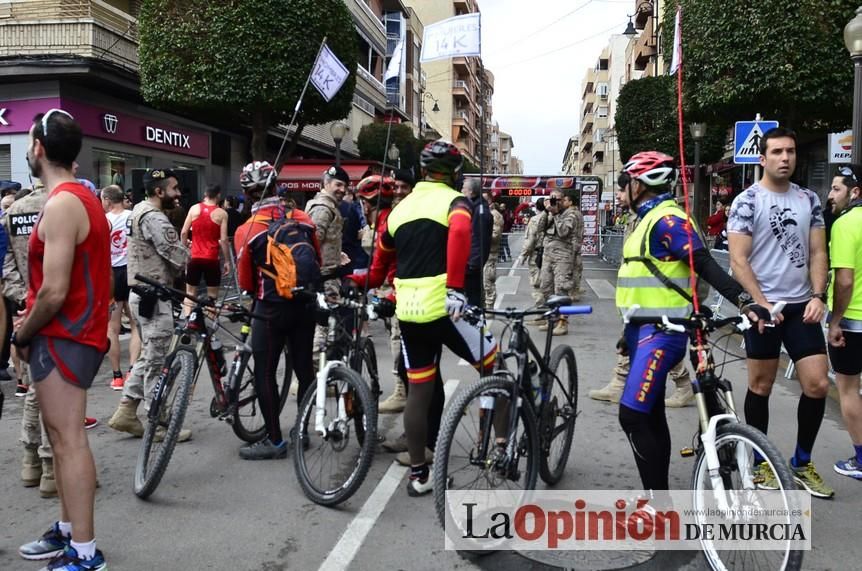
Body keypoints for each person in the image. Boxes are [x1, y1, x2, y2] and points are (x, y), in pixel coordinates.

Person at [615, 150, 769, 495]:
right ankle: (657, 500)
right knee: (651, 415)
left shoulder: (667, 220)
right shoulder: (648, 219)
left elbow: (704, 263)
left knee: (633, 417)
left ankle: (658, 504)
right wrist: (627, 333)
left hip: (660, 334)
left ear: (639, 184)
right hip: (641, 330)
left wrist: (745, 301)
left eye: (626, 182)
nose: (623, 189)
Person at [15, 108, 110, 569]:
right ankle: (70, 533)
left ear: (37, 148)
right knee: (60, 436)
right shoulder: (77, 197)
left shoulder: (63, 203)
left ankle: (85, 553)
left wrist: (22, 332)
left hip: (65, 334)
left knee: (68, 439)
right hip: (70, 334)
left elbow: (53, 291)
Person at [376, 139, 497, 496]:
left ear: (421, 172)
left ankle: (419, 475)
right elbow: (460, 230)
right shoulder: (454, 201)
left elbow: (381, 259)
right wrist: (456, 287)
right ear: (455, 174)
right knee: (494, 366)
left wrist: (358, 282)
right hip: (447, 306)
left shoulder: (399, 209)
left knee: (419, 390)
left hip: (410, 312)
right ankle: (493, 445)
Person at [727, 127, 834, 499]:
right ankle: (760, 463)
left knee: (818, 384)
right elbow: (738, 261)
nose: (785, 158)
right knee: (761, 386)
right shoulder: (747, 201)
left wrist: (819, 295)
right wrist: (759, 301)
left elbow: (819, 252)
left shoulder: (808, 199)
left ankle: (801, 462)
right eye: (776, 152)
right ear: (763, 158)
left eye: (789, 151)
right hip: (763, 309)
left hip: (800, 304)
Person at [234, 161, 319, 459]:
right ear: (276, 186)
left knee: (265, 371)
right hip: (305, 303)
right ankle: (303, 431)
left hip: (269, 308)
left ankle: (274, 440)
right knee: (304, 367)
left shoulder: (247, 229)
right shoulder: (303, 218)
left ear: (248, 193)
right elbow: (315, 259)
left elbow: (245, 279)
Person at [108, 168, 191, 441]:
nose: (178, 194)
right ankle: (158, 422)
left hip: (143, 296)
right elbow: (175, 254)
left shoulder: (139, 212)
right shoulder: (154, 217)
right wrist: (193, 259)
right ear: (159, 191)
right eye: (174, 189)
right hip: (153, 297)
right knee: (156, 363)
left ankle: (126, 411)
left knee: (147, 357)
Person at [3, 180, 58, 497]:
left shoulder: (15, 210)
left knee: (39, 383)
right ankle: (49, 466)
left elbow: (7, 264)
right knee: (57, 388)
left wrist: (23, 299)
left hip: (29, 305)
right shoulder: (66, 204)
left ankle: (30, 458)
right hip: (61, 309)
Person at [823, 165, 862, 479]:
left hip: (853, 324)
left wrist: (834, 321)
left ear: (855, 192)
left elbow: (845, 281)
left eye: (836, 188)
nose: (830, 194)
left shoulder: (846, 224)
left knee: (849, 390)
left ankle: (861, 459)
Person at [305, 166, 347, 368]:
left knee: (326, 327)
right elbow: (313, 240)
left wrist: (337, 254)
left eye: (344, 186)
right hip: (323, 278)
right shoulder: (323, 208)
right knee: (322, 327)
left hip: (327, 275)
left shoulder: (327, 206)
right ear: (325, 183)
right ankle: (314, 376)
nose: (342, 189)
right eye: (338, 184)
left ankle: (319, 374)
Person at [101, 185, 141, 391]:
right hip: (132, 271)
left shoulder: (102, 220)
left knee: (112, 328)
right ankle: (132, 370)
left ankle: (117, 376)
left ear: (107, 200)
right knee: (135, 324)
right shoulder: (133, 216)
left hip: (112, 274)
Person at [180, 183, 231, 313]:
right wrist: (227, 261)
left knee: (190, 293)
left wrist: (185, 248)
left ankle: (188, 321)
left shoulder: (194, 209)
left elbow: (184, 232)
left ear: (205, 194)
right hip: (212, 259)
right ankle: (210, 330)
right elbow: (224, 239)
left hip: (195, 257)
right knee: (212, 297)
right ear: (218, 195)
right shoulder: (222, 213)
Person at [537, 189, 576, 335]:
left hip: (563, 256)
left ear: (563, 200)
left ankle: (563, 322)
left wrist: (556, 214)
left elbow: (564, 232)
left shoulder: (569, 214)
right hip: (548, 255)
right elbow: (540, 228)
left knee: (561, 289)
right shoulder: (549, 213)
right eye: (552, 199)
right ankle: (552, 319)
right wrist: (546, 212)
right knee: (545, 287)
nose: (555, 202)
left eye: (557, 200)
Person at [461, 177, 491, 308]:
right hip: (471, 262)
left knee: (474, 299)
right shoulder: (475, 207)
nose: (462, 191)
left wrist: (473, 263)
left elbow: (478, 238)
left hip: (473, 264)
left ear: (472, 192)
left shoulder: (480, 210)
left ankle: (477, 326)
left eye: (464, 189)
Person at [518, 198, 547, 306]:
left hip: (537, 254)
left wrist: (523, 255)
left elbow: (530, 240)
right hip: (550, 253)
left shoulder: (535, 219)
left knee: (537, 283)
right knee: (548, 281)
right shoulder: (551, 217)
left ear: (536, 207)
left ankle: (540, 311)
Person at [483, 191, 504, 309]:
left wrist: (479, 235)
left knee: (488, 282)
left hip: (490, 253)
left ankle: (490, 308)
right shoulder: (484, 213)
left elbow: (495, 235)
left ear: (490, 200)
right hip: (481, 253)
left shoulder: (495, 215)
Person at [569, 194, 585, 301]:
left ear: (570, 202)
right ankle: (575, 290)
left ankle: (572, 292)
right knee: (577, 269)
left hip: (571, 244)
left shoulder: (571, 214)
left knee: (571, 269)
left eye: (565, 200)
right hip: (577, 243)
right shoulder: (578, 213)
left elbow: (567, 230)